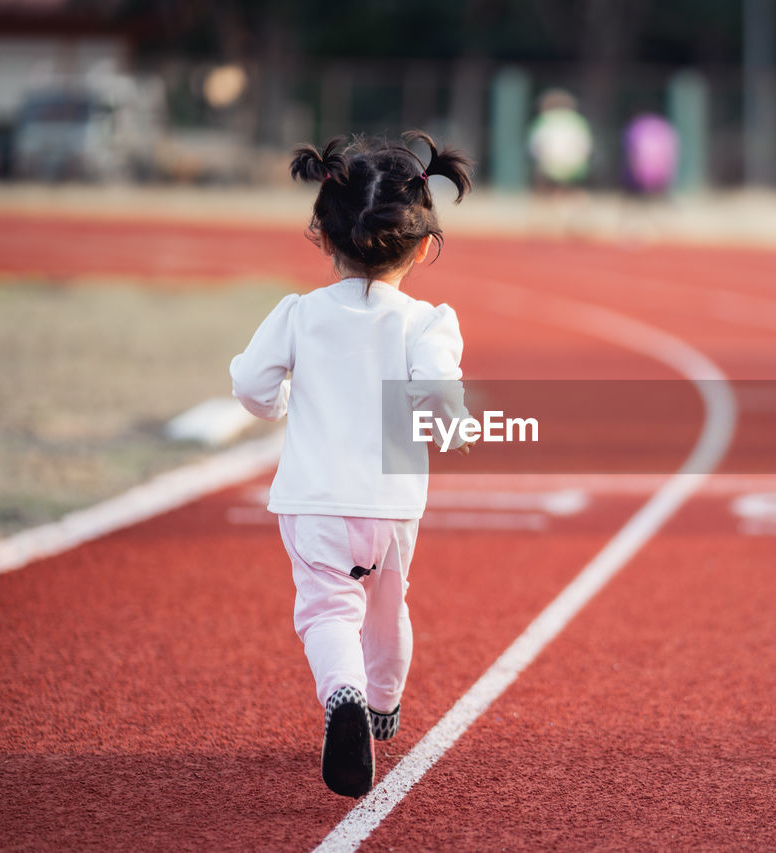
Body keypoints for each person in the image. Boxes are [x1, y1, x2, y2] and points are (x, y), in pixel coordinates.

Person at [230, 131, 473, 798]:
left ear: (321, 236)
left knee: (327, 612)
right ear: (424, 246)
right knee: (388, 602)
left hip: (314, 501)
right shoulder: (429, 322)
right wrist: (454, 425)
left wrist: (277, 401)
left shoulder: (298, 314)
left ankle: (343, 694)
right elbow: (437, 394)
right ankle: (384, 702)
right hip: (391, 505)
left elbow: (252, 385)